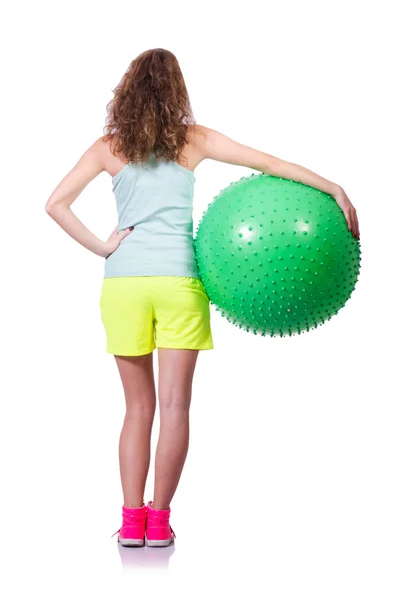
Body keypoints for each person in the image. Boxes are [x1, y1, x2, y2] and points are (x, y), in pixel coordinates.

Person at [45, 47, 360, 549]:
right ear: (177, 91)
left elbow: (55, 204)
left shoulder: (108, 147)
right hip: (179, 285)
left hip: (124, 286)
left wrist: (105, 247)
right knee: (174, 407)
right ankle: (159, 521)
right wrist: (334, 188)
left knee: (136, 410)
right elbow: (272, 163)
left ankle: (131, 523)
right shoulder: (194, 140)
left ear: (126, 92)